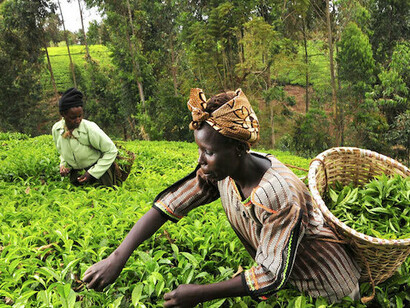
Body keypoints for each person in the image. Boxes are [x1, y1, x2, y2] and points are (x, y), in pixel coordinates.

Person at [83, 88, 361, 306]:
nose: (201, 161)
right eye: (200, 150)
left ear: (239, 149)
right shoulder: (222, 173)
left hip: (328, 288)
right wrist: (117, 257)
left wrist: (199, 293)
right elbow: (171, 203)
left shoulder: (279, 194)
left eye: (209, 152)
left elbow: (270, 275)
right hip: (290, 283)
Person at [52, 88, 120, 187]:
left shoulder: (90, 128)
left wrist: (92, 173)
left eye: (80, 116)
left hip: (100, 174)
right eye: (73, 117)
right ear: (63, 114)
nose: (78, 120)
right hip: (77, 175)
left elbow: (111, 150)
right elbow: (62, 152)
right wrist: (63, 165)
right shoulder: (57, 129)